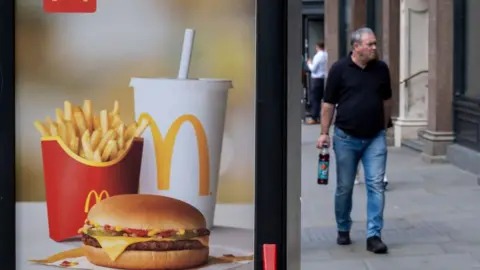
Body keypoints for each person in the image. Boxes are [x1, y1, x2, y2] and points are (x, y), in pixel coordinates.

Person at [316, 27, 392, 254]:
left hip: (375, 138)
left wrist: (386, 126)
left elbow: (387, 100)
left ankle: (374, 235)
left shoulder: (381, 69)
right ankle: (343, 228)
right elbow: (328, 104)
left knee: (376, 185)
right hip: (346, 138)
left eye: (375, 43)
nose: (374, 48)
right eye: (370, 44)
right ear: (356, 47)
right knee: (344, 187)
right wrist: (323, 132)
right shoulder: (339, 69)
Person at [306, 41, 328, 125]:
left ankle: (314, 117)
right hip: (323, 79)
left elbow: (313, 69)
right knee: (320, 98)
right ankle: (319, 117)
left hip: (316, 79)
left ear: (317, 47)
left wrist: (309, 63)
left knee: (314, 99)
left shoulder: (318, 56)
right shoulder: (326, 55)